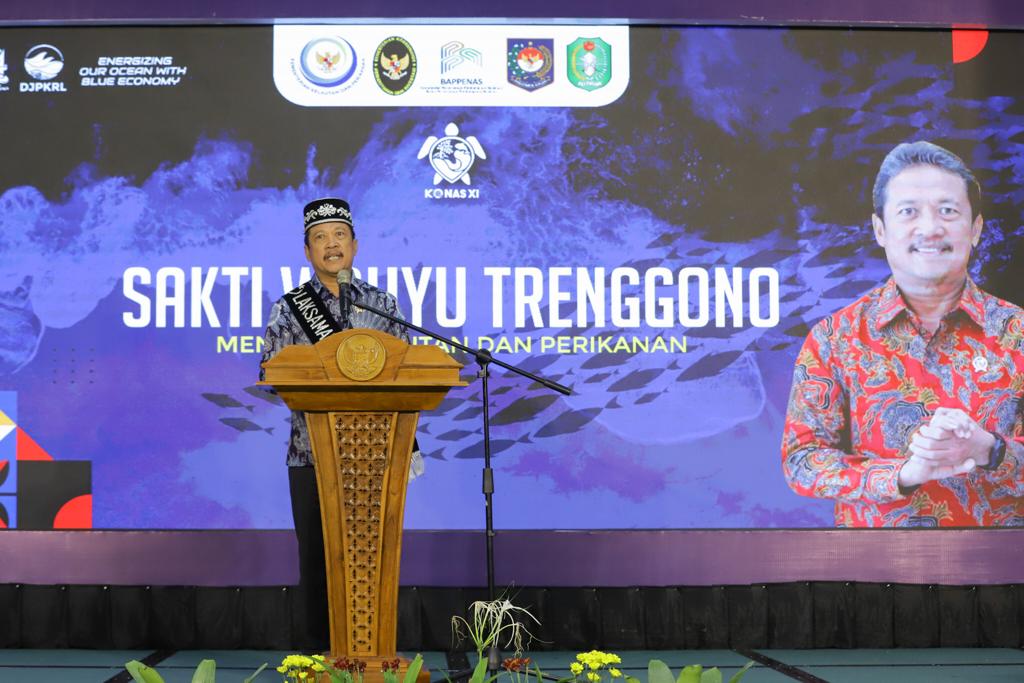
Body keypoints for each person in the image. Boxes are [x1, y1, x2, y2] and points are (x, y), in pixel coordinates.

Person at [782, 141, 1024, 527]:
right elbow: (802, 461)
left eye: (948, 211)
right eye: (908, 212)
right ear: (880, 229)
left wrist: (989, 449)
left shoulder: (1018, 333)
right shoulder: (836, 338)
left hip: (1005, 575)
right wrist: (903, 474)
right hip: (874, 577)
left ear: (976, 229)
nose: (930, 228)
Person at [260, 197, 409, 647]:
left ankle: (372, 654)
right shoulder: (289, 308)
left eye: (339, 236)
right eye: (320, 238)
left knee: (372, 558)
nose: (331, 245)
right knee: (318, 559)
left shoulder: (381, 304)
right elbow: (271, 372)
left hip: (374, 459)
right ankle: (315, 658)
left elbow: (404, 370)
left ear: (355, 246)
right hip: (311, 455)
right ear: (307, 251)